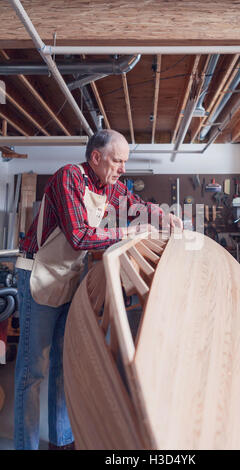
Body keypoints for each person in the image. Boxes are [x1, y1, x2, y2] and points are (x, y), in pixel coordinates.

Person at [14, 129, 182, 450]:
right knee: (32, 372)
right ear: (96, 157)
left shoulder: (111, 186)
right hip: (40, 274)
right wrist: (128, 231)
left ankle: (62, 443)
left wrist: (163, 215)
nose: (122, 169)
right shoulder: (69, 178)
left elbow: (136, 205)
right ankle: (26, 446)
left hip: (71, 276)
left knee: (64, 366)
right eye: (117, 161)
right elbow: (79, 236)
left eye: (124, 163)